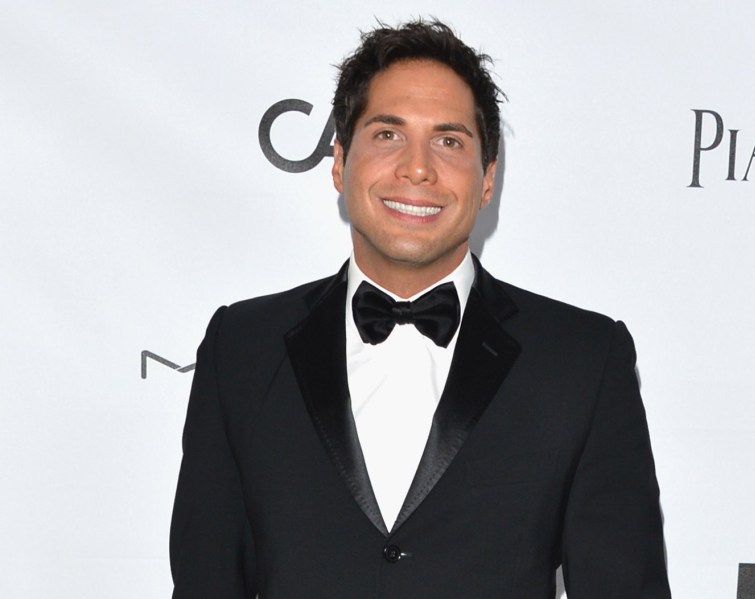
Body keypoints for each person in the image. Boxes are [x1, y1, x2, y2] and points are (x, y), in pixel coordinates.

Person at [170, 19, 670, 599]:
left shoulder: (583, 360)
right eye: (387, 134)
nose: (418, 167)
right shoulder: (242, 348)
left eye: (449, 140)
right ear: (338, 162)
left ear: (488, 180)